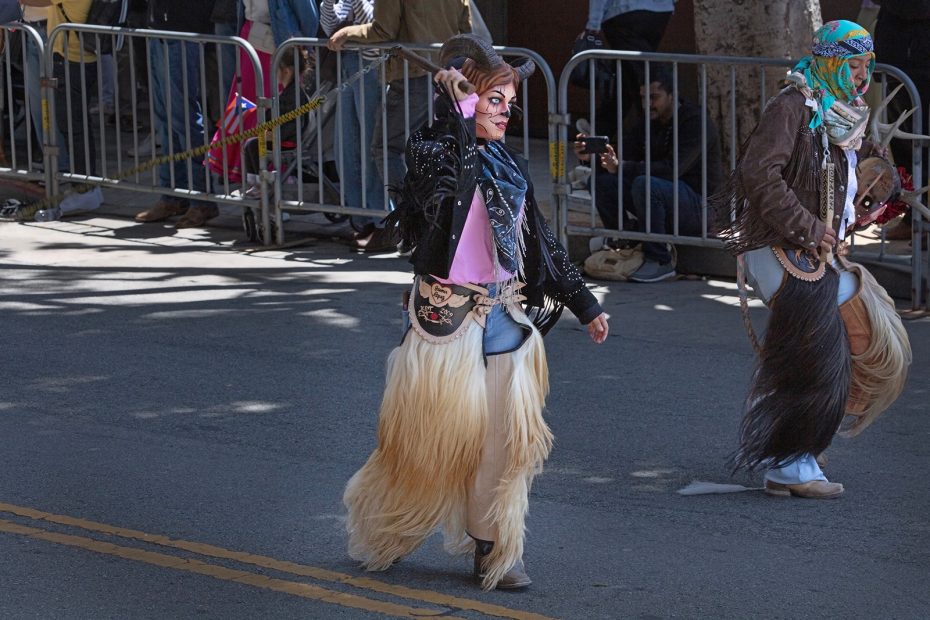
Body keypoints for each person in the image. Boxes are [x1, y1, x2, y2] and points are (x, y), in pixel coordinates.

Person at [343, 34, 609, 591]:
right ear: (462, 95)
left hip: (506, 319)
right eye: (494, 100)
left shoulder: (508, 164)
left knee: (506, 445)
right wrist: (458, 111)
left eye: (509, 103)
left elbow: (538, 238)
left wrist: (584, 303)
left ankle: (493, 549)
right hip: (447, 322)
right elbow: (449, 195)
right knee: (429, 448)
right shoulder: (432, 150)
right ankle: (389, 526)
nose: (504, 111)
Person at [714, 20, 910, 499]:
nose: (864, 73)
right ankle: (792, 464)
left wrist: (880, 186)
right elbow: (760, 175)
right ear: (832, 62)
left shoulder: (846, 111)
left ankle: (788, 445)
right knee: (815, 350)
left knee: (830, 341)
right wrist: (809, 226)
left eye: (867, 63)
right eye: (855, 63)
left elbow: (861, 170)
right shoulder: (792, 106)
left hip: (816, 250)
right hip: (780, 246)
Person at [326, 0, 471, 253]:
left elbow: (382, 31)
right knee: (433, 151)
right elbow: (465, 31)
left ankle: (418, 224)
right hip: (446, 76)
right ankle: (433, 224)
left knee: (386, 149)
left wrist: (346, 33)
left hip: (414, 74)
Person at [575, 64, 722, 282]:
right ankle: (624, 241)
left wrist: (621, 166)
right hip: (665, 199)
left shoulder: (695, 122)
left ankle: (660, 260)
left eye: (654, 97)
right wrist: (595, 158)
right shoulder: (648, 120)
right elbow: (624, 156)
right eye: (644, 98)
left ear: (672, 96)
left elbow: (672, 170)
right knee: (602, 182)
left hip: (699, 207)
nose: (648, 104)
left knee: (645, 183)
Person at [133, 0, 217, 229]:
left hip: (183, 32)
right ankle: (172, 195)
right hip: (160, 30)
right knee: (166, 121)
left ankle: (202, 198)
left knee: (185, 120)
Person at [320, 0, 386, 246]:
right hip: (349, 64)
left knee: (372, 146)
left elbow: (373, 22)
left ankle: (381, 219)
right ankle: (361, 218)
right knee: (346, 146)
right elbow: (330, 26)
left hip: (374, 66)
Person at [579, 0, 674, 139]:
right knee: (631, 74)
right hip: (659, 12)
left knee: (639, 77)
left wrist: (593, 22)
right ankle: (600, 129)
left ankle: (656, 136)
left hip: (622, 12)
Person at [239, 47, 311, 183]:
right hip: (283, 138)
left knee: (253, 145)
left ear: (286, 71)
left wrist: (275, 134)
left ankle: (261, 182)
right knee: (251, 144)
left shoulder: (294, 94)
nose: (274, 73)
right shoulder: (289, 92)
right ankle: (256, 181)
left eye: (276, 69)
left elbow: (293, 122)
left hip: (289, 141)